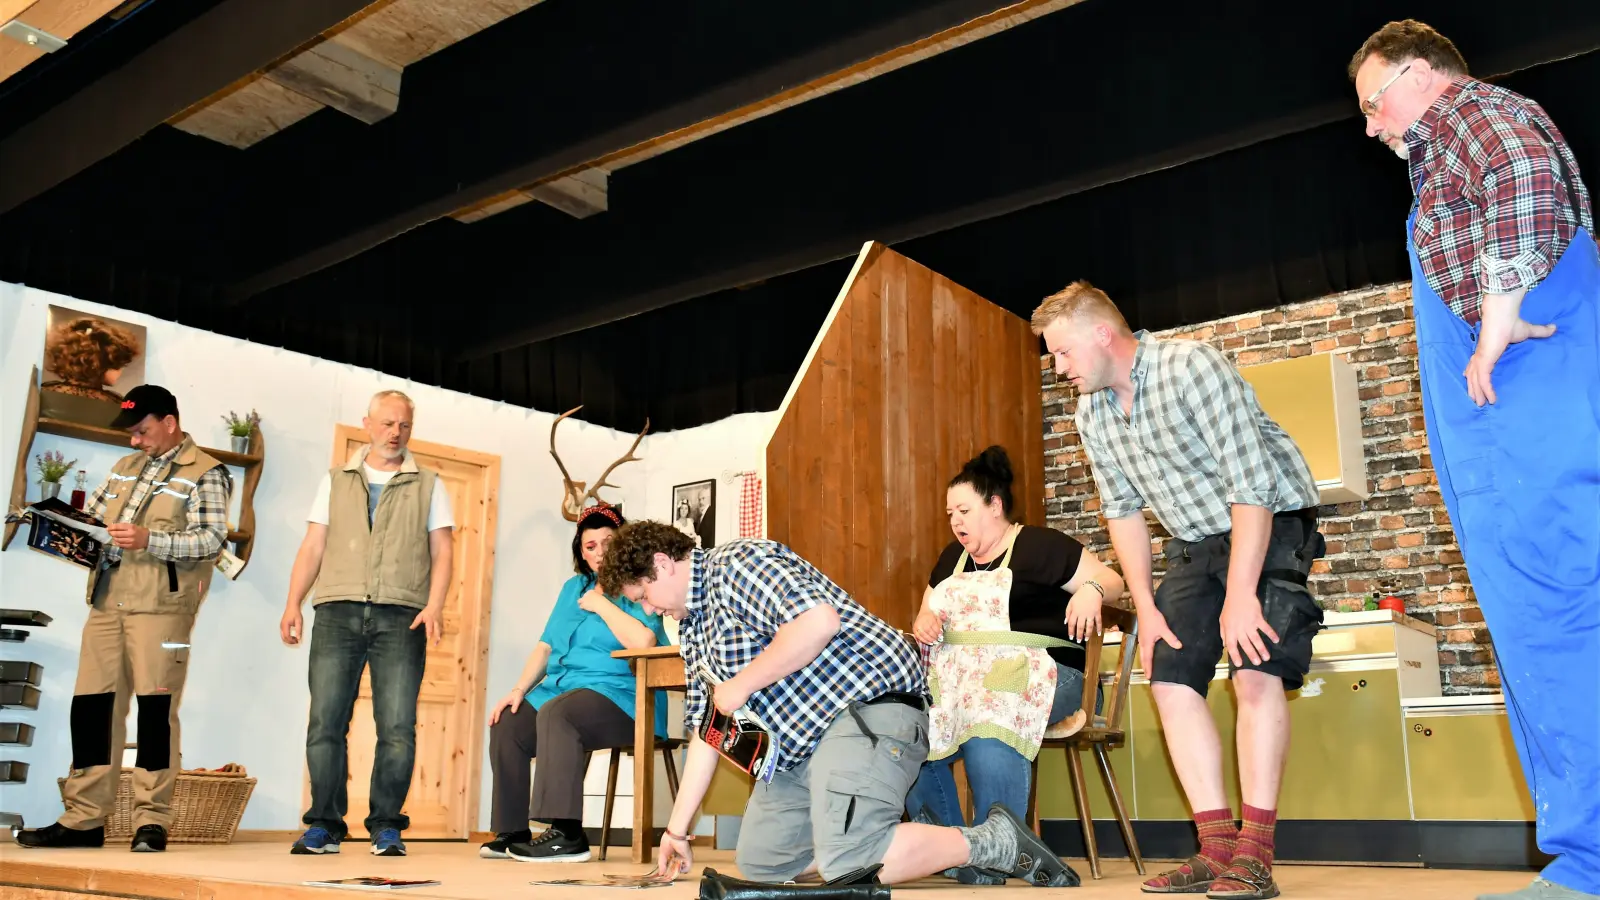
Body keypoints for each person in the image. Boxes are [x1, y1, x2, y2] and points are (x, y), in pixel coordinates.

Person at [1349, 21, 1598, 900]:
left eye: (1374, 104)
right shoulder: (1447, 156)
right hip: (1512, 429)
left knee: (1557, 620)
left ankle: (1591, 861)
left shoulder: (1468, 115)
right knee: (1539, 628)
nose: (1371, 127)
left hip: (1522, 415)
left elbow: (1521, 175)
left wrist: (1496, 320)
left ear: (1420, 76)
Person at [1033, 282, 1325, 900]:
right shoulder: (1092, 412)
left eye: (1062, 352)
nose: (1058, 368)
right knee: (1167, 677)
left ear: (1102, 335)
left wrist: (1241, 594)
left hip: (1268, 524)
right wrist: (1145, 608)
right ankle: (1216, 850)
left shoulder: (1192, 367)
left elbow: (1252, 486)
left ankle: (1254, 854)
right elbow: (1123, 512)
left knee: (1254, 669)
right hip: (1193, 543)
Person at [597, 522, 1079, 889]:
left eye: (643, 596)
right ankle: (888, 845)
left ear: (663, 563)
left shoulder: (738, 563)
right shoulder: (691, 628)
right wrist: (676, 832)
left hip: (867, 709)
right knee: (763, 864)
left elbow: (817, 622)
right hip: (800, 747)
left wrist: (740, 685)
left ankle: (993, 840)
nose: (648, 609)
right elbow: (712, 730)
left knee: (848, 859)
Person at [16, 385, 233, 853]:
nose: (135, 441)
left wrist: (148, 539)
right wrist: (60, 525)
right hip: (107, 602)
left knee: (156, 714)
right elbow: (94, 520)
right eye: (131, 433)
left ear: (170, 422)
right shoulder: (124, 467)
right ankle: (84, 820)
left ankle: (151, 822)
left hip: (163, 609)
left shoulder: (206, 472)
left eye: (142, 431)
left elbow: (212, 541)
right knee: (92, 711)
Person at [906, 445, 1125, 884]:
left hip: (1052, 674)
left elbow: (1112, 580)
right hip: (964, 680)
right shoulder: (950, 560)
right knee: (912, 732)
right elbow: (925, 614)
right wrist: (925, 620)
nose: (956, 522)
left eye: (964, 511)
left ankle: (999, 852)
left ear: (995, 506)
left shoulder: (1040, 546)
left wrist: (1092, 591)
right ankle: (954, 851)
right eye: (950, 514)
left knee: (989, 716)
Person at [279, 390, 455, 857]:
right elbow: (313, 545)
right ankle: (324, 824)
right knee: (325, 723)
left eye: (404, 426)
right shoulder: (335, 480)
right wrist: (293, 602)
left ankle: (386, 826)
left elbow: (443, 551)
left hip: (402, 616)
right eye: (387, 423)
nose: (395, 433)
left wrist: (435, 605)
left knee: (397, 727)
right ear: (368, 424)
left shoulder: (430, 484)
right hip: (336, 612)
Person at [480, 504, 671, 863]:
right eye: (590, 546)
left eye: (608, 543)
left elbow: (644, 642)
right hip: (563, 692)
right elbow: (545, 645)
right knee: (508, 722)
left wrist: (601, 604)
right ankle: (512, 831)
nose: (599, 552)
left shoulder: (639, 583)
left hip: (623, 698)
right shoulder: (573, 588)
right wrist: (518, 690)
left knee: (558, 713)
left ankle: (567, 834)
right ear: (581, 553)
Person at [41, 315, 140, 403]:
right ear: (98, 364)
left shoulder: (43, 392)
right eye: (118, 364)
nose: (121, 370)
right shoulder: (118, 405)